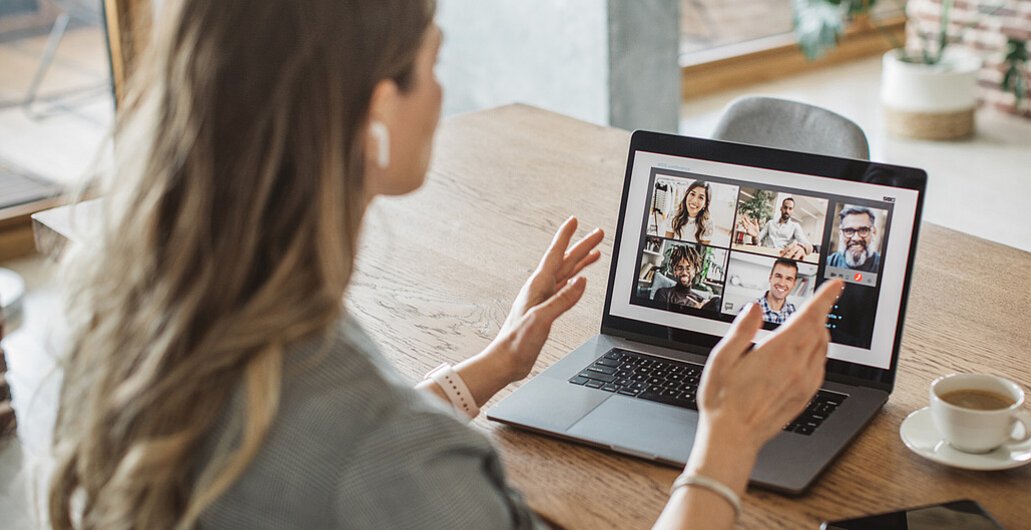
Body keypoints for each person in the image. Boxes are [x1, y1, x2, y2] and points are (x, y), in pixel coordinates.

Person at [46, 1, 845, 528]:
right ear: (374, 113)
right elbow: (374, 457)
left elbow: (336, 441)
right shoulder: (400, 464)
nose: (440, 89)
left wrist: (491, 367)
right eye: (430, 63)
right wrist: (729, 440)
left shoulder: (160, 307)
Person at [737, 197, 813, 260]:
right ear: (781, 208)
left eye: (790, 208)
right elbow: (756, 241)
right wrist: (755, 236)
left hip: (780, 258)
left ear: (792, 211)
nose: (787, 211)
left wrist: (802, 247)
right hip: (765, 255)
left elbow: (809, 247)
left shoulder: (795, 226)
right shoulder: (770, 223)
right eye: (785, 207)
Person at [653, 245, 718, 310]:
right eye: (680, 268)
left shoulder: (701, 301)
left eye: (688, 268)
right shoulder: (663, 294)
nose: (684, 272)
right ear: (674, 271)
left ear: (695, 270)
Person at [826, 206, 882, 273]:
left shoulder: (884, 267)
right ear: (840, 234)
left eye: (863, 230)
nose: (856, 238)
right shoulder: (829, 263)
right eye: (849, 230)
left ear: (874, 232)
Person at [662, 181, 714, 245]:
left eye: (701, 197)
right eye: (692, 194)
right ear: (687, 195)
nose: (694, 201)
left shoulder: (708, 224)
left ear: (705, 204)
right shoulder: (673, 215)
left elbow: (703, 253)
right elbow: (667, 244)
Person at [754, 258, 799, 324]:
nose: (782, 283)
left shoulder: (794, 314)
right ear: (770, 278)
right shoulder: (749, 310)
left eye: (788, 279)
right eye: (778, 276)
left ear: (794, 284)